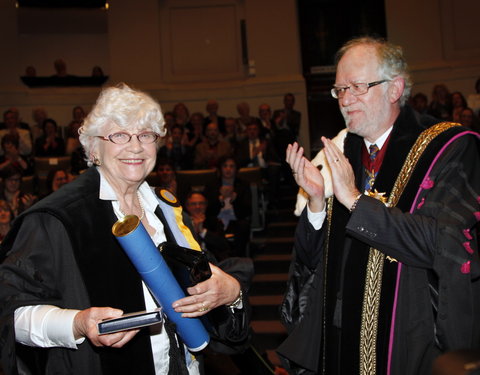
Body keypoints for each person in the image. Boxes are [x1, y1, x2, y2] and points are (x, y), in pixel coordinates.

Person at [0, 83, 250, 375]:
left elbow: (209, 288)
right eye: (119, 134)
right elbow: (9, 310)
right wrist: (77, 323)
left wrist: (232, 292)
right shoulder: (57, 219)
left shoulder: (167, 211)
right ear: (94, 148)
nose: (136, 146)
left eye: (146, 135)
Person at [278, 36, 480, 375]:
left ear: (394, 88)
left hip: (408, 336)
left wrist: (355, 201)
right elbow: (313, 265)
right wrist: (315, 203)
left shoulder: (449, 148)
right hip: (340, 334)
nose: (345, 100)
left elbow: (442, 245)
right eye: (339, 89)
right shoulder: (344, 154)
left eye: (357, 86)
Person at [205, 157, 252, 257]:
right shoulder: (212, 184)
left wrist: (235, 200)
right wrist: (220, 200)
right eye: (225, 166)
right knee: (211, 225)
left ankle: (239, 258)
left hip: (236, 219)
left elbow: (247, 210)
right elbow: (208, 210)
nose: (228, 169)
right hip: (217, 219)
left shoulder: (243, 184)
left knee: (244, 226)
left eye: (231, 166)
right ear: (220, 169)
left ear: (236, 169)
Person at [184, 191, 233, 261]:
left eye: (201, 203)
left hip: (213, 261)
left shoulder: (214, 222)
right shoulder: (181, 223)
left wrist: (202, 231)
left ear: (206, 205)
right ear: (187, 206)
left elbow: (224, 245)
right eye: (193, 204)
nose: (198, 207)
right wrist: (194, 231)